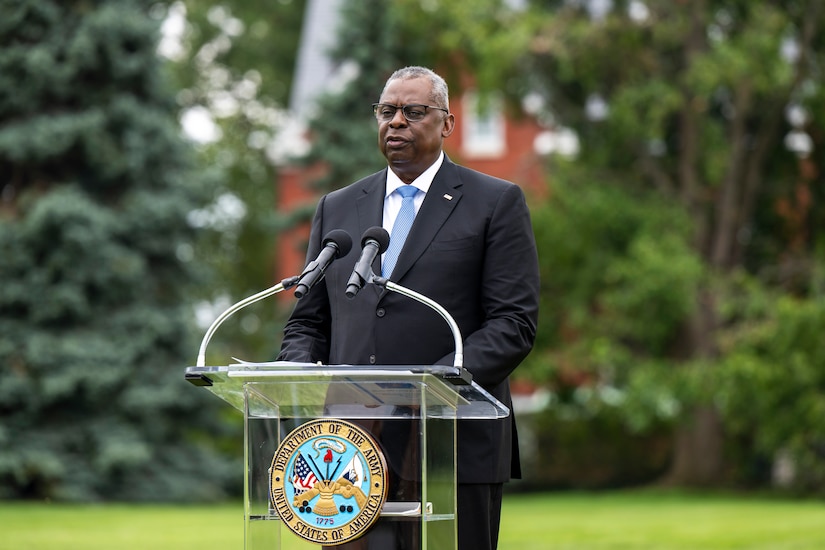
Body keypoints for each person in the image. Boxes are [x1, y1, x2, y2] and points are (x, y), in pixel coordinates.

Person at [277, 66, 540, 550]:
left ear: (446, 124)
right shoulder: (337, 207)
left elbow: (513, 323)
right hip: (348, 451)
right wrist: (296, 375)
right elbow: (308, 322)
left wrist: (432, 389)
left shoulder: (494, 202)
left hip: (453, 443)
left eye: (413, 111)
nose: (396, 122)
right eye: (386, 111)